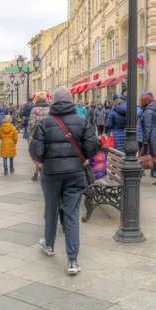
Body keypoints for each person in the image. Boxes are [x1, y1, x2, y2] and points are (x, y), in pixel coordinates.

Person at [29, 86, 101, 275]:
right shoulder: (81, 121)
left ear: (53, 103)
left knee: (51, 209)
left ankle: (49, 244)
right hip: (75, 174)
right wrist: (82, 156)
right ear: (71, 102)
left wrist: (47, 161)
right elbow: (93, 145)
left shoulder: (45, 124)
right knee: (71, 213)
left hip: (51, 175)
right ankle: (72, 259)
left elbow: (35, 151)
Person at [141, 92, 156, 185]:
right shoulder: (155, 110)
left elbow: (148, 126)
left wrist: (145, 140)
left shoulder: (148, 112)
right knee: (153, 157)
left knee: (144, 156)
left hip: (151, 136)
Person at [28, 92, 50, 181]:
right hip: (47, 133)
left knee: (33, 152)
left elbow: (31, 123)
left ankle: (40, 168)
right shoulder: (49, 108)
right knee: (44, 153)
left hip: (36, 134)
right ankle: (36, 173)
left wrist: (29, 132)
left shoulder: (34, 109)